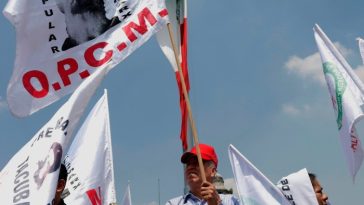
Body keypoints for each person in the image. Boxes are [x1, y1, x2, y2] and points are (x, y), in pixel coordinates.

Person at [166, 144, 239, 205]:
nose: (190, 167)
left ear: (213, 171)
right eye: (188, 164)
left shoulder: (232, 201)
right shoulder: (172, 203)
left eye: (197, 162)